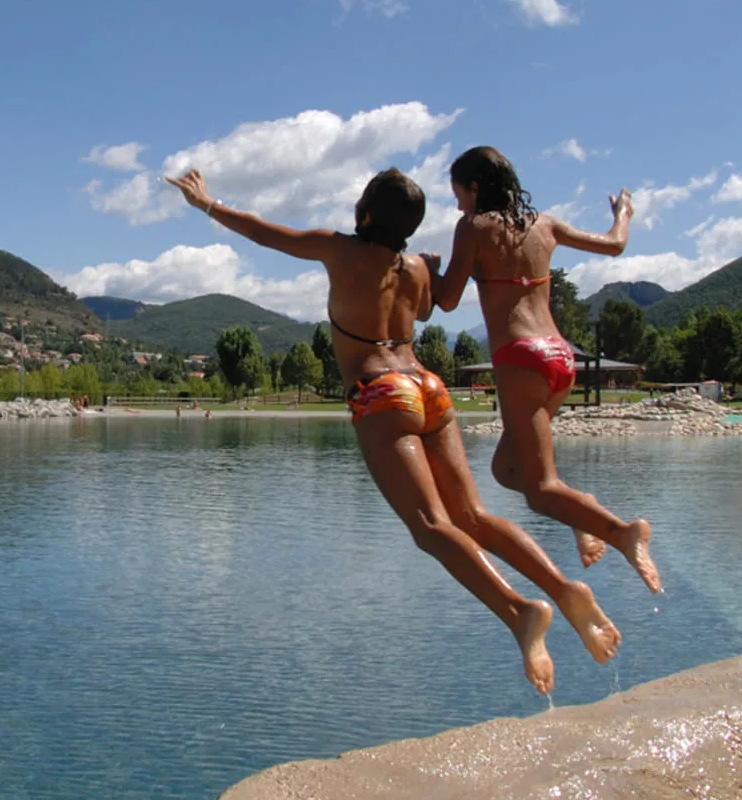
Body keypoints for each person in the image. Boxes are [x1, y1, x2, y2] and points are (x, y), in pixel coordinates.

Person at [166, 166, 621, 694]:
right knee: (472, 515)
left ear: (364, 214)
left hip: (381, 391)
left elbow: (265, 233)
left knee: (431, 527)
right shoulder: (418, 269)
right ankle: (565, 590)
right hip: (429, 387)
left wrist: (207, 204)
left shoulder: (339, 250)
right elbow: (429, 307)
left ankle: (521, 612)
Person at [428, 146, 661, 593]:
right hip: (560, 358)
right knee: (504, 470)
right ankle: (582, 511)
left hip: (520, 359)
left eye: (458, 193)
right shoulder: (546, 225)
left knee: (539, 487)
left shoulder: (473, 228)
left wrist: (431, 270)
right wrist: (625, 212)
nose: (457, 204)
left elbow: (448, 300)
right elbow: (615, 245)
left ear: (475, 188)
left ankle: (622, 531)